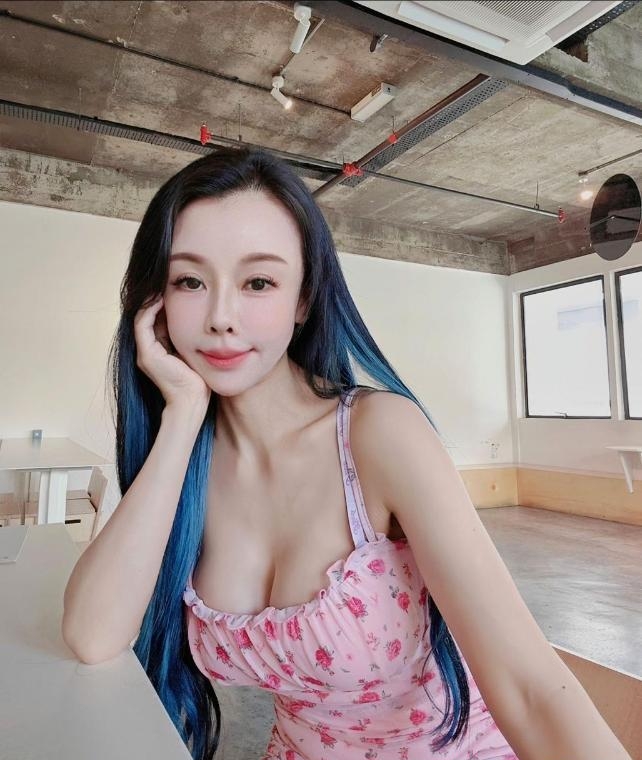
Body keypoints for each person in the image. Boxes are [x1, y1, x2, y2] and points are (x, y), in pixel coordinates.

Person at [62, 147, 632, 760]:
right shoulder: (187, 465)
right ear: (156, 302)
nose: (221, 317)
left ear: (302, 299)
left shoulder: (378, 434)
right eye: (190, 281)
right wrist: (180, 418)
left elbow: (529, 689)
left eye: (259, 282)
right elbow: (93, 637)